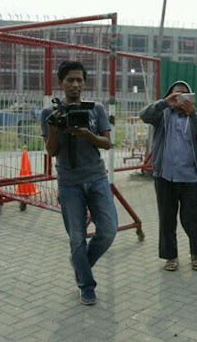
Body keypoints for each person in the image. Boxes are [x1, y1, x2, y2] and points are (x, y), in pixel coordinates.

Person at [41, 61, 118, 305]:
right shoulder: (49, 113)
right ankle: (86, 285)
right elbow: (52, 151)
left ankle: (80, 263)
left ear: (85, 83)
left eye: (79, 80)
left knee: (108, 230)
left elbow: (107, 144)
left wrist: (87, 134)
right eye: (70, 80)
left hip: (96, 178)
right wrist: (54, 128)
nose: (75, 84)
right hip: (69, 183)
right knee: (76, 237)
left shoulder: (95, 109)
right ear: (61, 83)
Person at [139, 81, 197, 272]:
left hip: (190, 178)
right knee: (167, 218)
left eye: (184, 95)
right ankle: (170, 256)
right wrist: (164, 103)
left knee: (194, 217)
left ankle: (196, 254)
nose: (180, 98)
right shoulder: (161, 115)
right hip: (165, 177)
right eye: (176, 95)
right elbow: (143, 115)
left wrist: (192, 113)